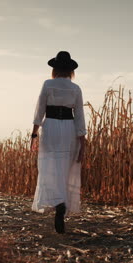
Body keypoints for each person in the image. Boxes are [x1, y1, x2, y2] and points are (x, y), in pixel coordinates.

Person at [30, 51, 87, 234]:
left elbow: (40, 109)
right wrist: (82, 139)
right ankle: (62, 202)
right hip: (69, 129)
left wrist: (34, 133)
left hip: (51, 127)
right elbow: (79, 115)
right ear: (70, 70)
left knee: (50, 166)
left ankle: (58, 202)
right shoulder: (75, 88)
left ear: (54, 69)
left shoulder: (48, 84)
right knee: (66, 167)